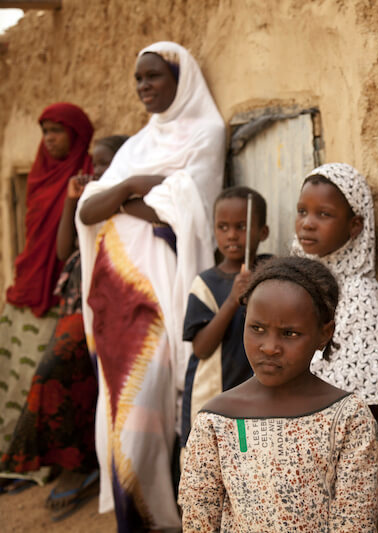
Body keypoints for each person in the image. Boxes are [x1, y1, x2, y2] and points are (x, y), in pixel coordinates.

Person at [76, 41, 225, 532]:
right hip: (113, 289)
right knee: (121, 408)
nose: (144, 87)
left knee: (151, 404)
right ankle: (139, 521)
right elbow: (88, 210)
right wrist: (130, 185)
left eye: (154, 76)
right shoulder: (138, 145)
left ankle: (165, 517)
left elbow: (187, 213)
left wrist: (123, 198)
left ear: (180, 78)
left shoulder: (207, 132)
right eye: (139, 78)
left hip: (163, 288)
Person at [179, 256, 378, 531]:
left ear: (324, 334)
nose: (270, 347)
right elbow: (198, 523)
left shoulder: (348, 419)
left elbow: (355, 523)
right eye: (257, 329)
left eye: (290, 333)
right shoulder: (215, 422)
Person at [0, 135, 127, 520]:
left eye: (107, 163)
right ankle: (71, 462)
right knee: (56, 372)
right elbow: (62, 252)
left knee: (97, 381)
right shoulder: (90, 199)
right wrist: (74, 199)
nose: (99, 171)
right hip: (76, 301)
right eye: (96, 163)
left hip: (113, 303)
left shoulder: (130, 201)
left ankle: (87, 464)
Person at [0, 103, 94, 495]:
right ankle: (12, 456)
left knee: (43, 379)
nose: (50, 138)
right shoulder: (39, 175)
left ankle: (39, 462)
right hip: (26, 289)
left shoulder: (88, 173)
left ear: (76, 134)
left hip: (64, 297)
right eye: (45, 131)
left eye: (57, 130)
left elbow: (66, 247)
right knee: (12, 378)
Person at [292, 163, 378, 439]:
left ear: (354, 227)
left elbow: (368, 393)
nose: (307, 223)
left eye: (324, 214)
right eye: (302, 211)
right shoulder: (294, 284)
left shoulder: (358, 293)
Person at [180, 186, 271, 446]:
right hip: (213, 393)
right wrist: (232, 300)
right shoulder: (206, 284)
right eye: (223, 227)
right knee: (211, 461)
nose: (232, 235)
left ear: (262, 232)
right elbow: (201, 347)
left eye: (241, 226)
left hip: (258, 396)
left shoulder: (272, 273)